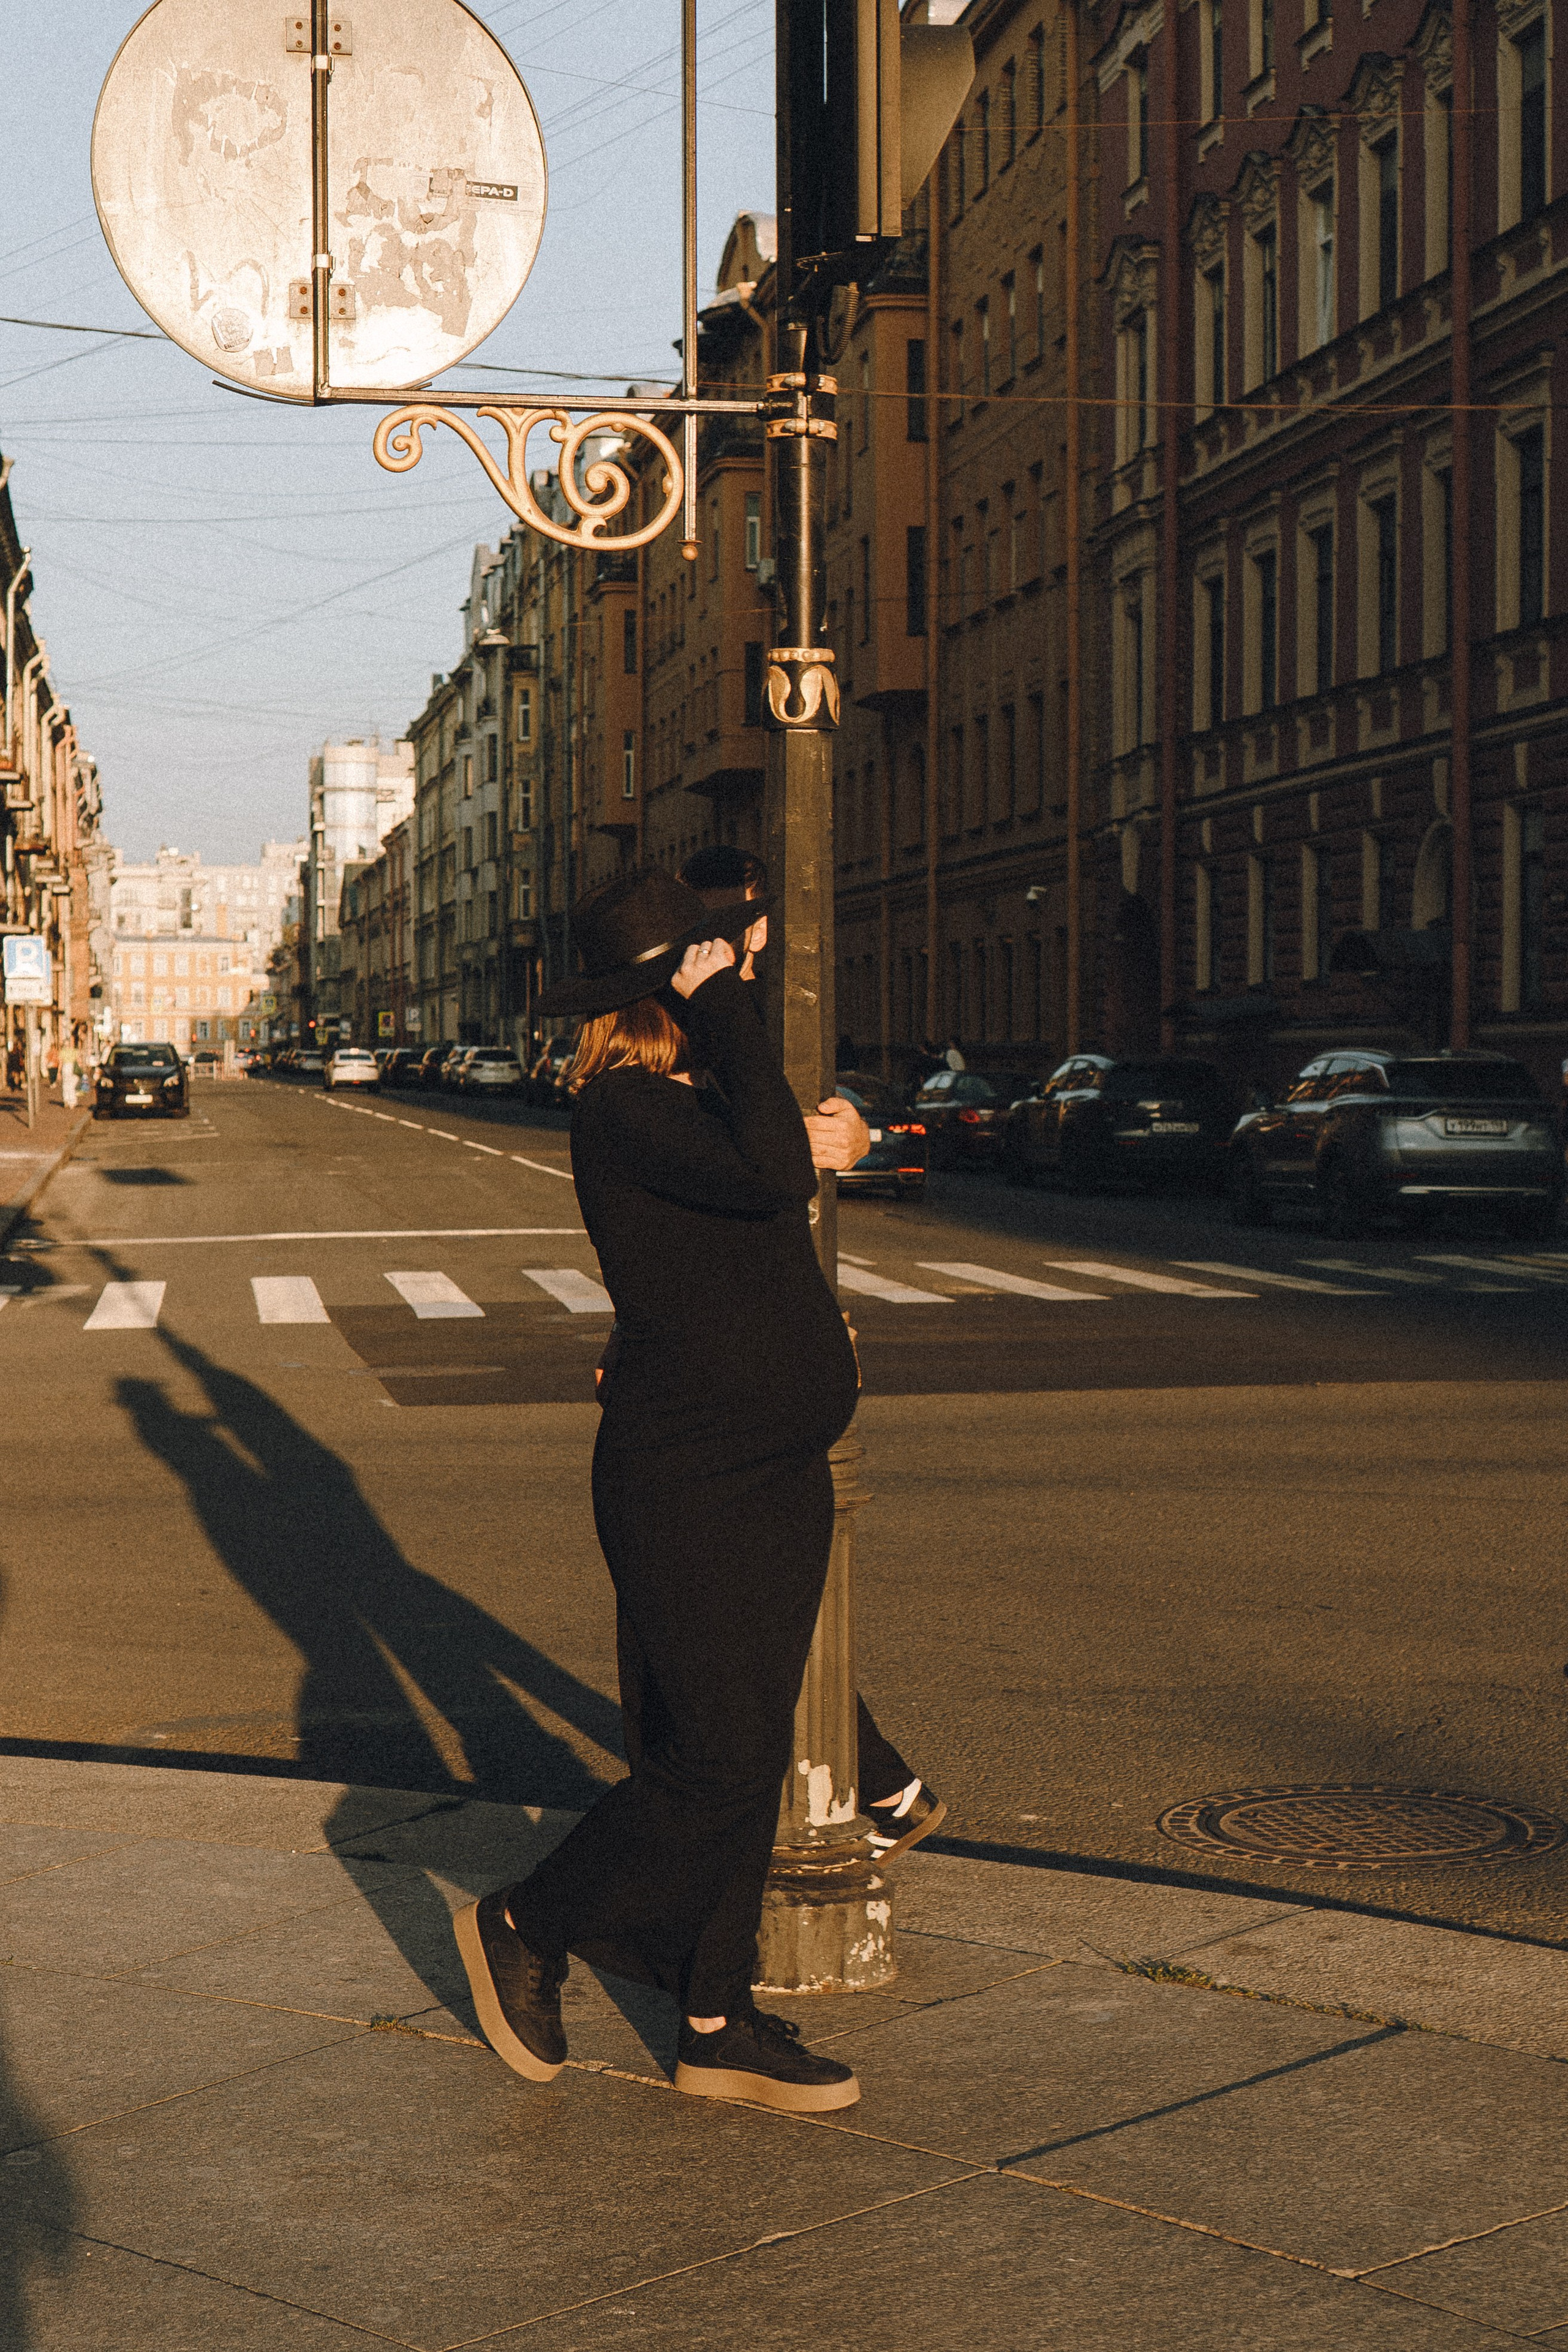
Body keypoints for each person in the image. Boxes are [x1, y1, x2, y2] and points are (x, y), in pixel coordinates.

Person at [457, 870, 867, 2113]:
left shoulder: (696, 1100)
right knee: (714, 1759)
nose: (730, 985)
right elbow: (768, 1171)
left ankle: (712, 2016)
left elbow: (788, 1146)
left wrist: (843, 1131)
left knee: (739, 1760)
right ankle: (529, 1919)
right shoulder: (621, 1109)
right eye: (707, 973)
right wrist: (731, 1000)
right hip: (684, 1479)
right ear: (670, 992)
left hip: (773, 1468)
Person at [679, 844, 943, 1861]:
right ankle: (883, 1786)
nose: (753, 949)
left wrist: (846, 1136)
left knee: (736, 1614)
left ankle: (866, 1791)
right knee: (745, 1605)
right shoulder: (699, 1026)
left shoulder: (738, 1016)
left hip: (748, 1366)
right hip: (732, 1355)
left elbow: (781, 1148)